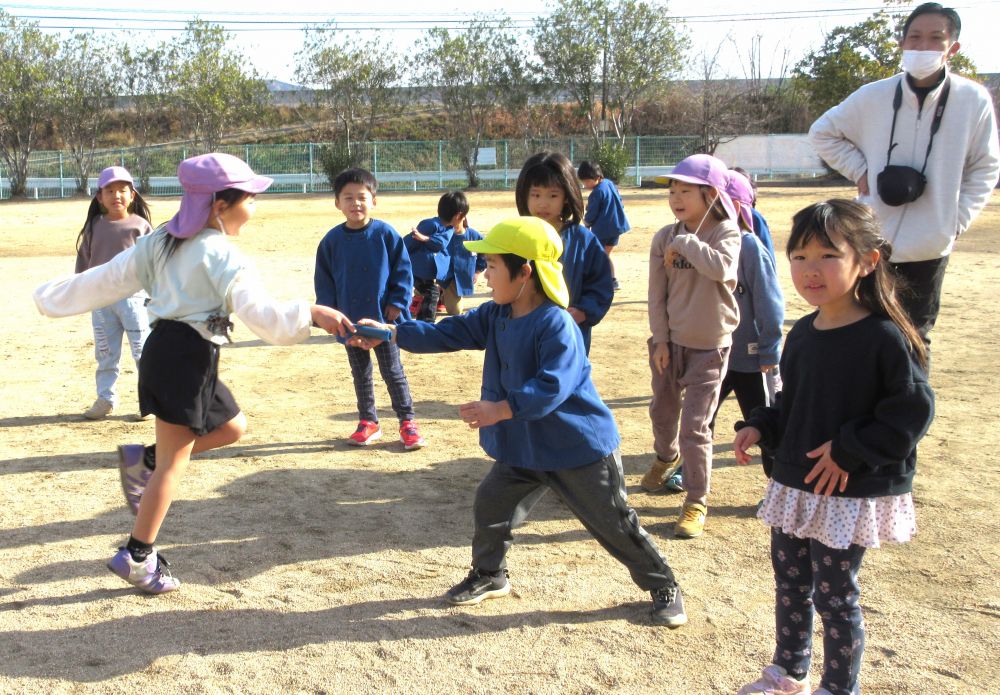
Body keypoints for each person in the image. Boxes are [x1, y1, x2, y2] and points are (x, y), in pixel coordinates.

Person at [33, 152, 354, 594]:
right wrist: (312, 314)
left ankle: (143, 460)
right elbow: (265, 318)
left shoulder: (160, 239)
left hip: (172, 354)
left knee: (233, 427)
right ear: (219, 205)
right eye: (249, 198)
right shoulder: (224, 256)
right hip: (186, 360)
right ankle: (138, 556)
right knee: (173, 465)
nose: (254, 206)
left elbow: (103, 279)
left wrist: (49, 298)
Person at [353, 216, 687, 627]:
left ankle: (663, 584)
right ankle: (490, 574)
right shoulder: (496, 314)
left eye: (492, 265)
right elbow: (449, 333)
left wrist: (500, 410)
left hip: (575, 448)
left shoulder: (556, 323)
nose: (485, 274)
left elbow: (554, 385)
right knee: (491, 505)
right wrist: (390, 332)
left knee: (614, 523)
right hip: (524, 447)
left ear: (525, 271)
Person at [734, 200, 934, 695]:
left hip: (847, 490)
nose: (810, 270)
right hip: (797, 484)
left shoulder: (886, 337)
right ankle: (789, 671)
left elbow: (911, 412)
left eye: (827, 255)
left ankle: (838, 686)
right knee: (790, 584)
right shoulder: (802, 333)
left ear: (868, 260)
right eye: (799, 257)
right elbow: (791, 403)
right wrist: (761, 425)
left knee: (835, 596)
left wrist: (850, 450)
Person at [808, 2, 1000, 351]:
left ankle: (909, 404)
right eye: (914, 37)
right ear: (902, 42)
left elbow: (985, 167)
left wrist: (956, 220)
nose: (922, 46)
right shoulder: (873, 96)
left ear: (953, 47)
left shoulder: (973, 100)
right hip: (870, 239)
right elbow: (822, 132)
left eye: (934, 39)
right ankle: (863, 405)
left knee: (914, 339)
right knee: (863, 332)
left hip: (931, 242)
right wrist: (862, 170)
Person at [639, 154, 740, 539]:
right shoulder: (663, 237)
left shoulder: (728, 233)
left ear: (711, 195)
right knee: (663, 413)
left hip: (710, 348)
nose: (676, 198)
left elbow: (720, 269)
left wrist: (686, 242)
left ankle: (696, 499)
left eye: (686, 191)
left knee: (695, 428)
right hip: (670, 344)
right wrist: (661, 340)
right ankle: (666, 459)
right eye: (673, 190)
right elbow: (656, 294)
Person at [667, 170, 784, 492]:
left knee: (763, 421)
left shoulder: (749, 248)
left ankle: (778, 484)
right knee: (697, 421)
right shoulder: (692, 245)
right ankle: (688, 472)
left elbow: (770, 301)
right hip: (710, 351)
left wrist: (769, 348)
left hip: (748, 357)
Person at [314, 167, 425, 450]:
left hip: (383, 320)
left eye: (362, 197)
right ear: (337, 203)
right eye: (347, 198)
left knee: (393, 371)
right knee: (360, 372)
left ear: (374, 200)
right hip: (349, 321)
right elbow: (324, 284)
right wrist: (331, 318)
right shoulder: (330, 242)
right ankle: (368, 421)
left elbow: (403, 272)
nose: (355, 204)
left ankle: (407, 422)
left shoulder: (386, 234)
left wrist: (396, 305)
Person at [74, 166, 154, 420]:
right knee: (106, 353)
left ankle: (150, 401)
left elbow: (153, 263)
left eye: (122, 190)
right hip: (102, 301)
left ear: (133, 195)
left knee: (143, 351)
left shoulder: (141, 226)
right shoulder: (94, 226)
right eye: (109, 190)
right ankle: (106, 398)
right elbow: (84, 261)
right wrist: (80, 290)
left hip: (135, 300)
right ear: (99, 197)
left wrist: (158, 292)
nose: (116, 195)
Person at [516, 151, 613, 355]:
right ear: (524, 195)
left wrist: (583, 311)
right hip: (523, 335)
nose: (543, 203)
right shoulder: (515, 237)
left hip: (568, 337)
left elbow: (601, 284)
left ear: (567, 197)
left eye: (552, 195)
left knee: (564, 383)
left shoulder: (583, 240)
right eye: (535, 195)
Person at [405, 191, 465, 322]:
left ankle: (423, 318)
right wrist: (399, 255)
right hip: (416, 271)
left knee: (432, 293)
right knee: (432, 293)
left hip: (432, 273)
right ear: (459, 216)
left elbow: (439, 244)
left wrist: (425, 239)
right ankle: (427, 322)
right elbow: (409, 241)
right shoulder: (430, 224)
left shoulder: (448, 229)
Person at [578, 160, 631, 291]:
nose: (584, 184)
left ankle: (596, 281)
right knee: (604, 255)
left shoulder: (596, 193)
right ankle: (613, 280)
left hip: (603, 230)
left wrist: (586, 223)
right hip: (617, 226)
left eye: (586, 181)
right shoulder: (609, 184)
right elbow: (620, 201)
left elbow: (591, 214)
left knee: (596, 255)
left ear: (597, 178)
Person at [439, 211, 486, 316]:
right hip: (445, 277)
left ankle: (442, 296)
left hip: (462, 277)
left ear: (463, 218)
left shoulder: (474, 236)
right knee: (455, 311)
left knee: (456, 311)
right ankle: (437, 291)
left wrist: (478, 271)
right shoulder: (442, 235)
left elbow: (485, 252)